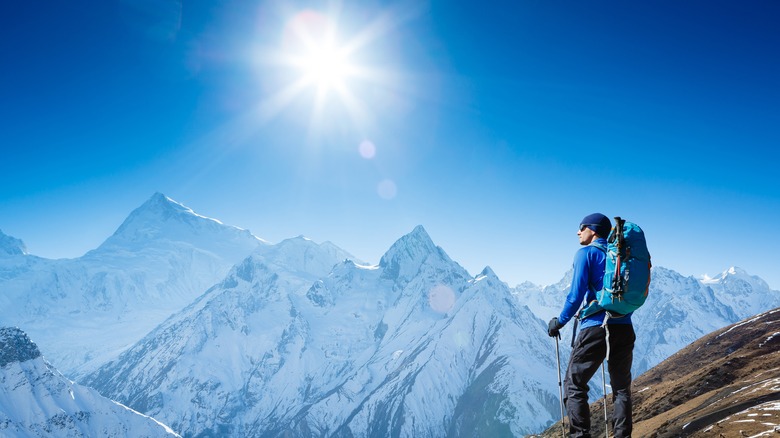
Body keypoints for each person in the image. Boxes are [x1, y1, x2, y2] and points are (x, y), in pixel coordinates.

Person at [547, 213, 636, 438]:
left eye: (581, 227)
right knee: (621, 389)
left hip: (596, 327)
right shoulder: (622, 256)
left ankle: (579, 435)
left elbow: (575, 296)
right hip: (624, 327)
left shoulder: (586, 254)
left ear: (593, 230)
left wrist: (559, 322)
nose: (578, 232)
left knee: (574, 385)